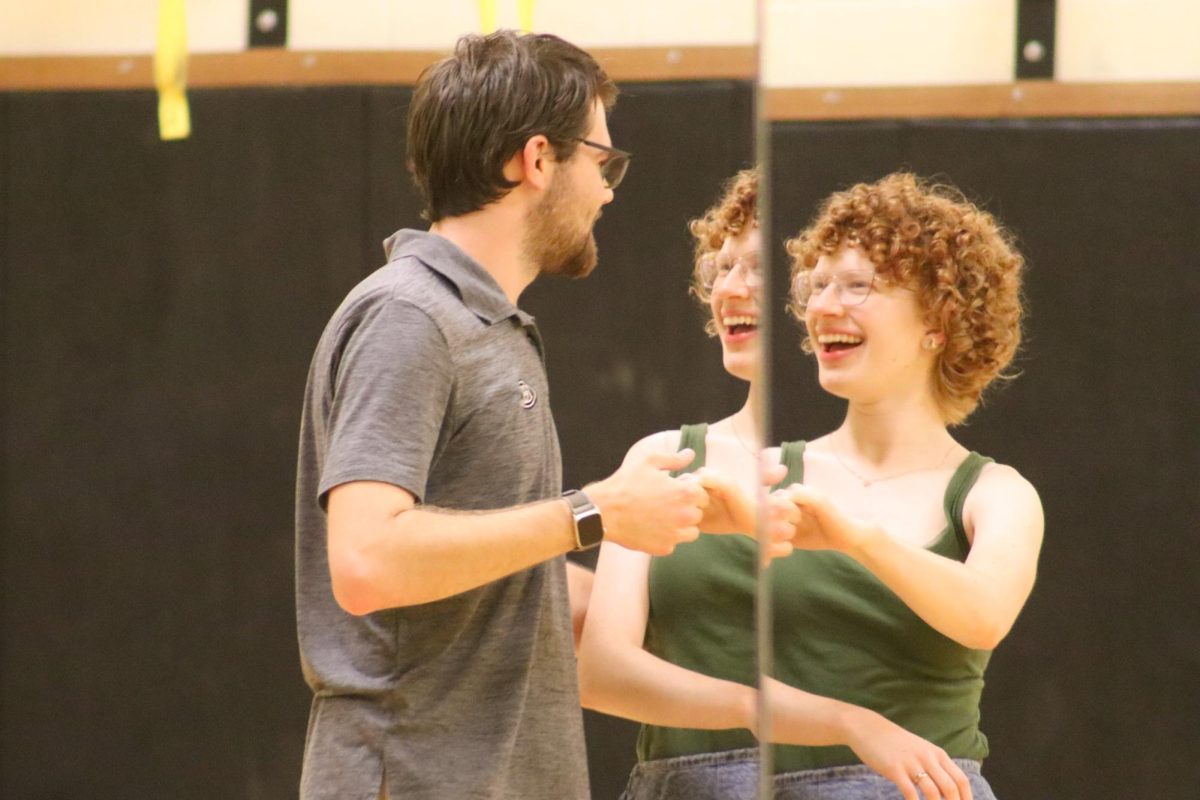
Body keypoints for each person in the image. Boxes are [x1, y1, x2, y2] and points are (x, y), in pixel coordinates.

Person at [294, 31, 755, 800]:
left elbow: (498, 580)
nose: (609, 189)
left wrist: (679, 585)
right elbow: (367, 561)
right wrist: (595, 511)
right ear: (537, 160)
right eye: (601, 160)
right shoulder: (408, 315)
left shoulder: (491, 328)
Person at [578, 169, 974, 800]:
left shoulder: (912, 475)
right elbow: (601, 671)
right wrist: (805, 716)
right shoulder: (667, 457)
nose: (731, 290)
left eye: (758, 269)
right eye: (721, 269)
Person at [769, 172, 1045, 798]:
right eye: (818, 286)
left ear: (939, 322)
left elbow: (984, 615)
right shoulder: (763, 471)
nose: (824, 307)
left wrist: (856, 538)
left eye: (858, 286)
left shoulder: (995, 493)